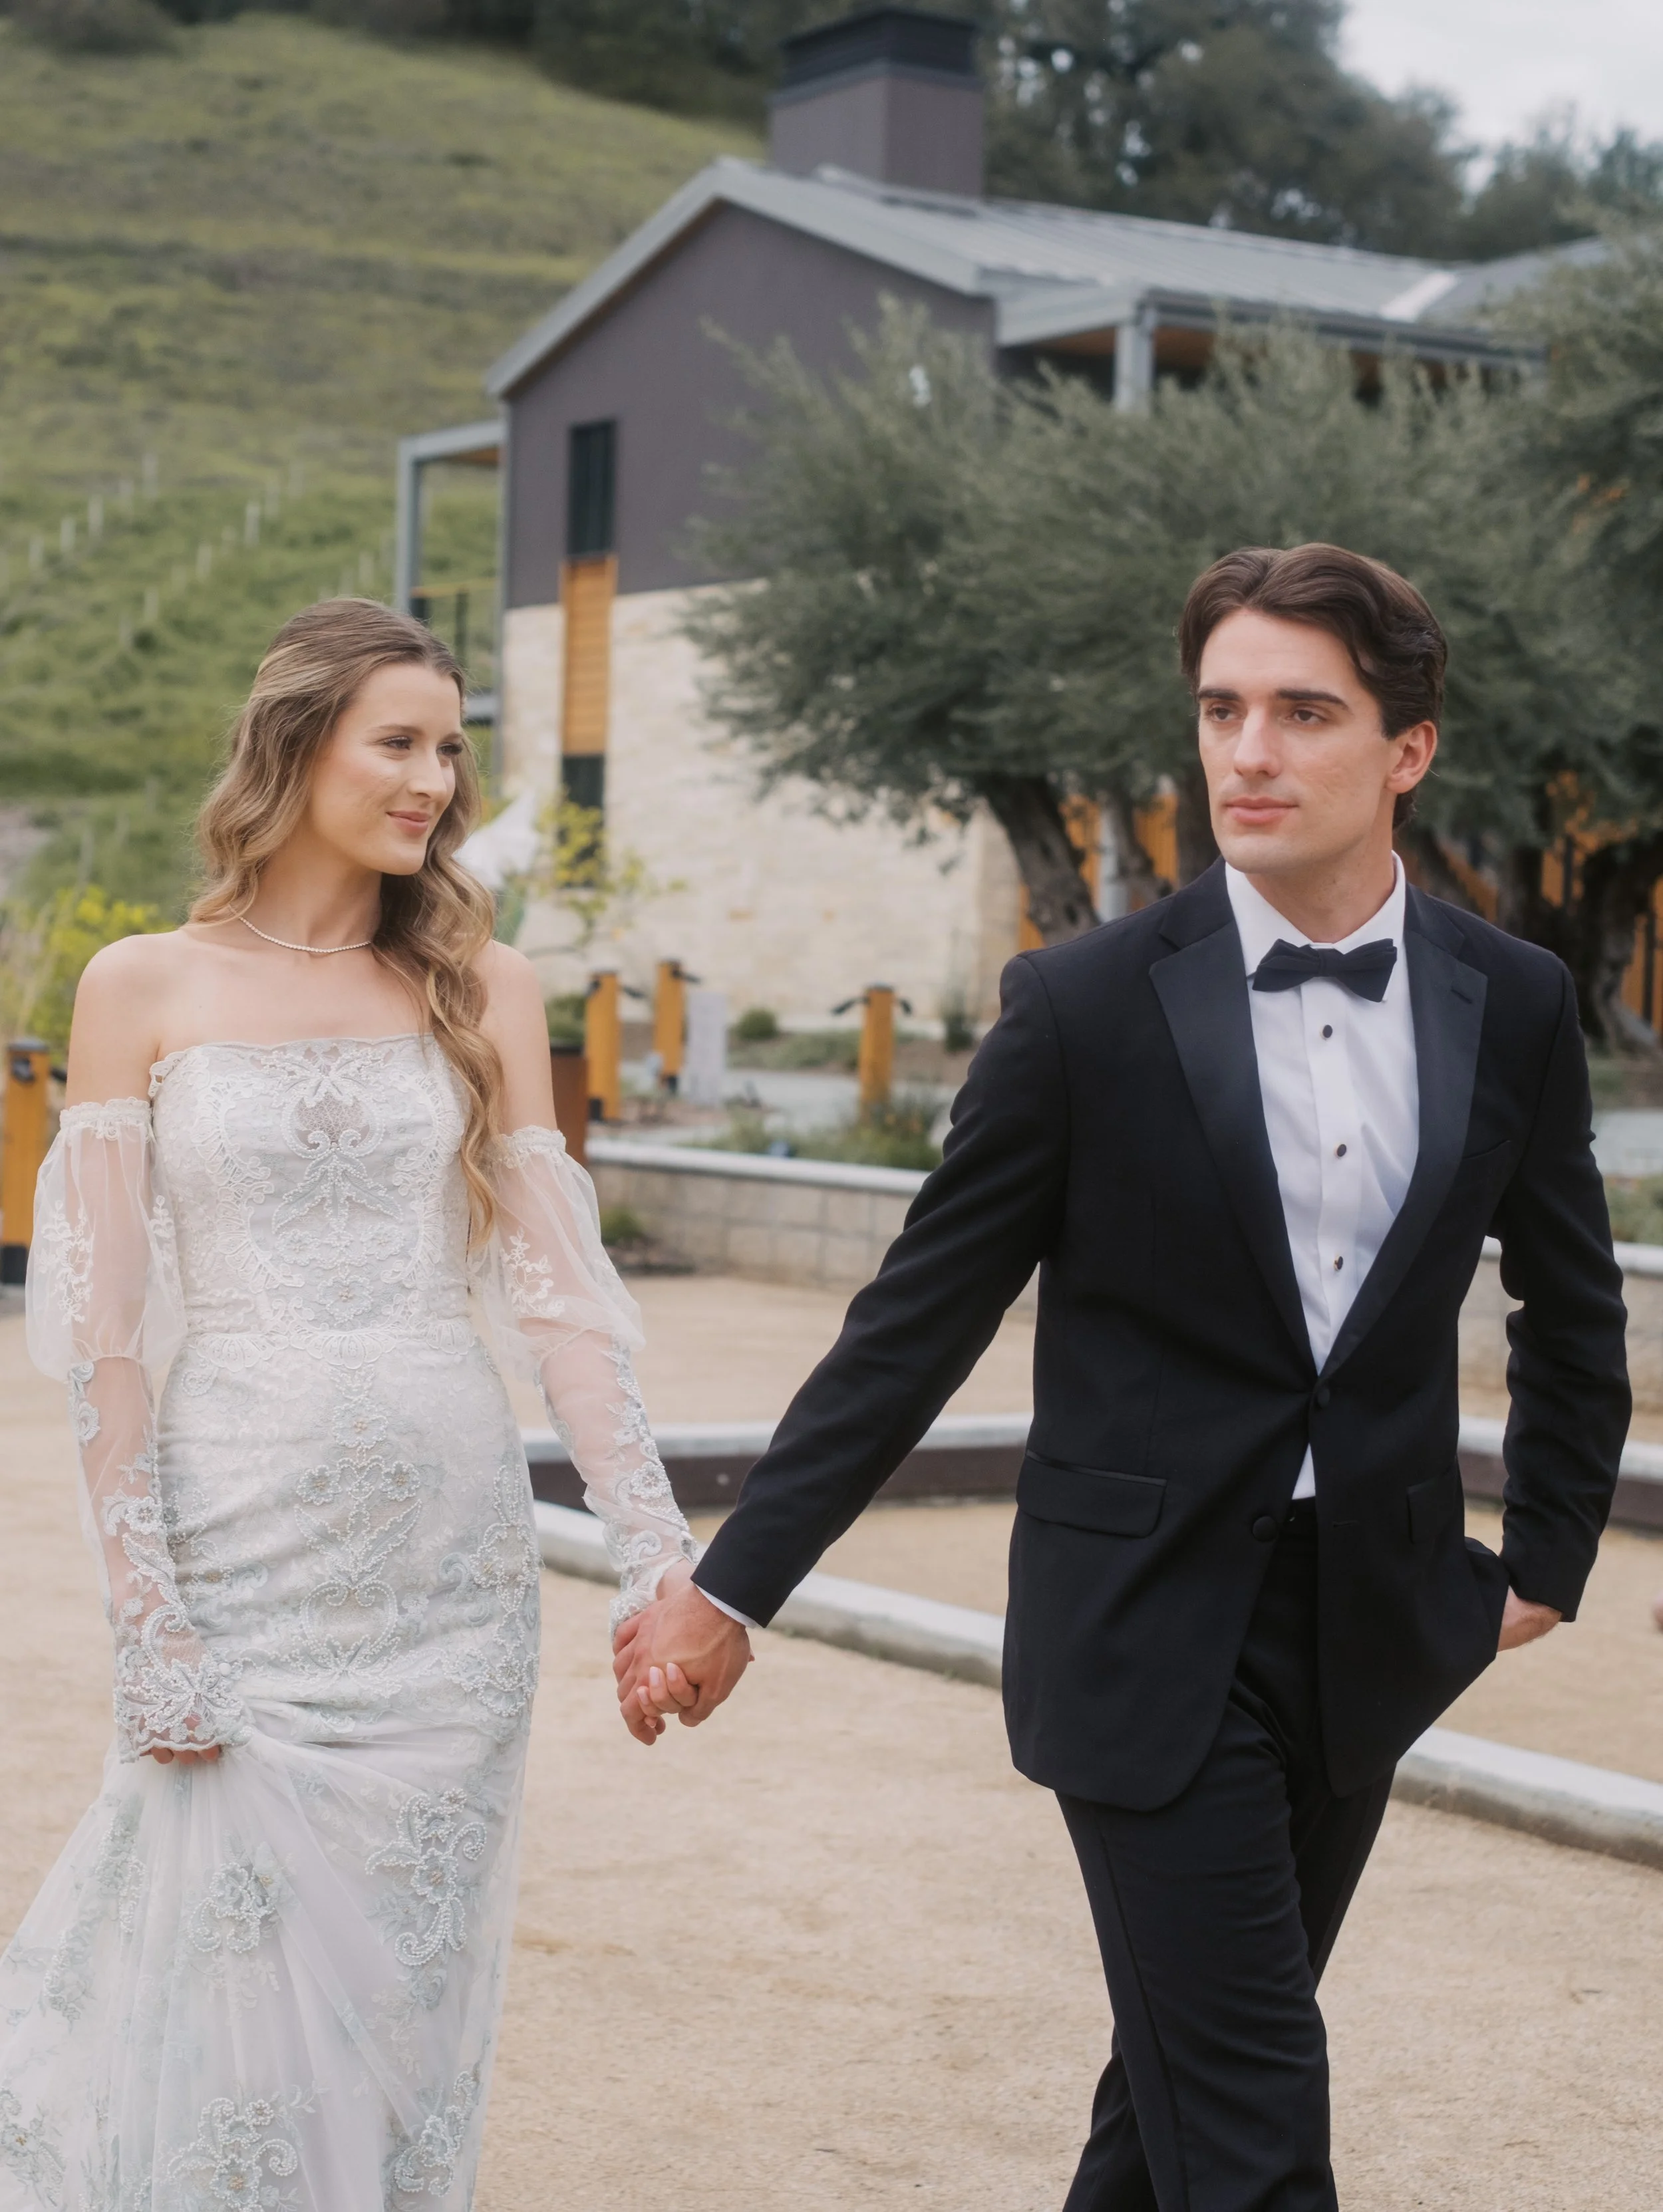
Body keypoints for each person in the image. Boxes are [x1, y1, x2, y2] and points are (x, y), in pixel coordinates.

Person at [615, 543, 1630, 2209]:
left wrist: (1544, 1549)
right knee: (1248, 2115)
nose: (1246, 751)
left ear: (1406, 751)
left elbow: (1568, 1296)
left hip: (1368, 1621)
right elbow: (914, 1322)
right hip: (1139, 1627)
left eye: (1303, 711)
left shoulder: (1508, 999)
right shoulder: (1079, 1005)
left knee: (1170, 2107)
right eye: (1221, 708)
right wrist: (733, 1587)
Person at [4, 599, 711, 2208]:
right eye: (397, 741)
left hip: (448, 1571)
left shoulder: (484, 986)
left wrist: (653, 1553)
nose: (432, 779)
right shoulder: (141, 985)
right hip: (238, 1533)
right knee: (205, 1957)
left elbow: (558, 1308)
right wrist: (147, 1612)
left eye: (450, 748)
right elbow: (107, 1342)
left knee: (397, 1988)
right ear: (295, 744)